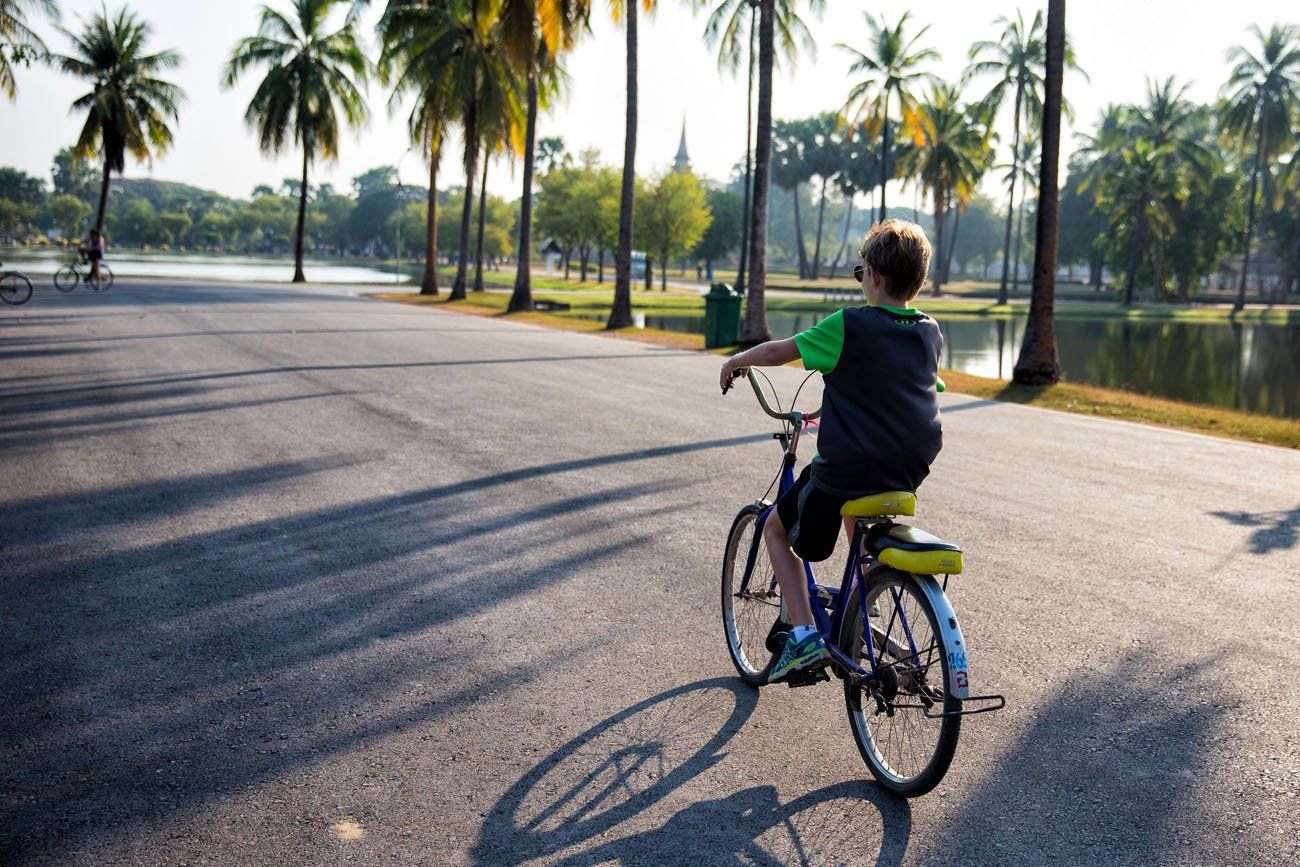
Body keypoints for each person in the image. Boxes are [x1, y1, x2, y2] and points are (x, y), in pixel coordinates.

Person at [719, 219, 946, 683]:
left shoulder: (849, 324)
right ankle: (859, 612)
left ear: (875, 276)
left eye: (859, 269)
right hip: (908, 467)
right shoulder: (928, 331)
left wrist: (737, 360)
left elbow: (782, 350)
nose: (859, 277)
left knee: (776, 530)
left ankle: (802, 637)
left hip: (849, 466)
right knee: (855, 520)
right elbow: (920, 384)